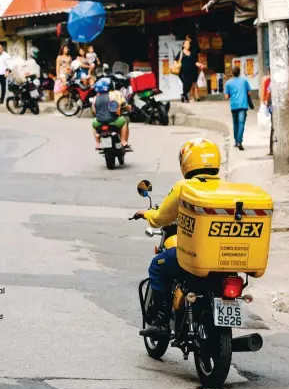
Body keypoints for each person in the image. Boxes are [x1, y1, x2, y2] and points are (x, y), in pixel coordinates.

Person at [133, 138, 221, 338]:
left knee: (157, 266)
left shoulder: (184, 187)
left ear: (187, 162)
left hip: (192, 257)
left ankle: (162, 323)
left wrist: (146, 214)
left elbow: (161, 218)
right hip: (221, 257)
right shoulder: (227, 189)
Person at [264, 73, 289, 156]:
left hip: (275, 109)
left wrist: (267, 103)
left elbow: (269, 93)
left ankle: (272, 149)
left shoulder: (274, 80)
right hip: (288, 108)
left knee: (274, 128)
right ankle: (288, 147)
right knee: (288, 127)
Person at [91, 77, 131, 151]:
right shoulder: (112, 95)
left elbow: (94, 111)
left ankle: (98, 143)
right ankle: (123, 141)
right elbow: (115, 107)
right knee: (124, 122)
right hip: (112, 120)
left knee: (93, 124)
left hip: (99, 121)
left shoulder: (95, 98)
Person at [225, 66, 252, 150]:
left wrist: (231, 94)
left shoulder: (228, 83)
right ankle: (239, 141)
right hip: (243, 105)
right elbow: (249, 93)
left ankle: (236, 141)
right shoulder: (244, 81)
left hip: (234, 105)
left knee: (235, 123)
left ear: (232, 73)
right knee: (241, 123)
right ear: (239, 72)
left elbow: (226, 96)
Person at [177, 38, 202, 103]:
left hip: (190, 72)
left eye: (189, 44)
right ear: (183, 45)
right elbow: (175, 60)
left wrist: (199, 64)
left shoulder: (191, 53)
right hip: (182, 72)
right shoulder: (181, 53)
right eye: (187, 44)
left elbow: (194, 62)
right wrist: (176, 65)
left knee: (189, 84)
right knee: (185, 83)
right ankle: (185, 96)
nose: (188, 45)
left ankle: (183, 95)